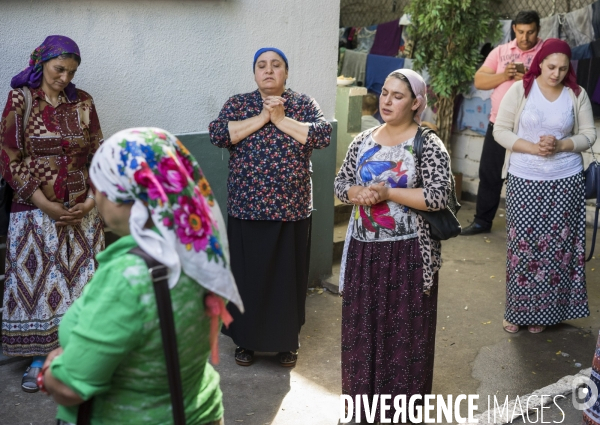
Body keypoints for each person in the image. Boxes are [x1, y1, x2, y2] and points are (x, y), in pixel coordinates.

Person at [37, 127, 242, 425]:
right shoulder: (201, 246)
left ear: (122, 197)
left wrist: (49, 374)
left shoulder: (127, 277)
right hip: (201, 411)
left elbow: (70, 389)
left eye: (99, 186)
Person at [334, 69, 450, 420]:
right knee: (361, 331)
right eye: (384, 93)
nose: (386, 100)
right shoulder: (364, 140)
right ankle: (360, 410)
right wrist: (359, 192)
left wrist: (387, 192)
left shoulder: (428, 143)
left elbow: (438, 195)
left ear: (416, 102)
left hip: (409, 255)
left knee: (405, 334)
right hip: (363, 253)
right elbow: (341, 183)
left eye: (397, 96)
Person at [209, 47, 331, 367]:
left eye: (276, 65)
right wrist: (263, 117)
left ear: (286, 73)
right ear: (254, 73)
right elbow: (219, 133)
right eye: (261, 65)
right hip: (246, 208)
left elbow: (321, 135)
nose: (268, 70)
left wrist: (281, 119)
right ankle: (245, 342)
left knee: (286, 281)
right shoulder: (239, 103)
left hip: (291, 210)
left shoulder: (302, 103)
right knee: (248, 279)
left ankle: (286, 342)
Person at [0, 35, 104, 392]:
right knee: (38, 288)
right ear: (42, 62)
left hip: (82, 213)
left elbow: (97, 155)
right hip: (34, 213)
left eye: (71, 72)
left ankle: (79, 356)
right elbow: (10, 157)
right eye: (59, 69)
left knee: (81, 287)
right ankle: (37, 359)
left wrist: (91, 202)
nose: (64, 77)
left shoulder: (84, 102)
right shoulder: (21, 98)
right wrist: (44, 204)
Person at [493, 39, 595, 334]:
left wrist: (562, 144)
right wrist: (531, 148)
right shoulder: (520, 90)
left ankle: (545, 313)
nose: (557, 73)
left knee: (558, 248)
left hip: (566, 181)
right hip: (525, 178)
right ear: (540, 63)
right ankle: (517, 311)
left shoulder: (576, 94)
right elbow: (500, 130)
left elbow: (589, 134)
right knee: (521, 246)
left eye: (563, 68)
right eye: (551, 67)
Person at [462, 10, 544, 235]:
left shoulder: (546, 52)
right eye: (520, 32)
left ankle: (530, 226)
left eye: (530, 32)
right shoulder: (501, 51)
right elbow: (480, 80)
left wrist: (531, 78)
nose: (525, 37)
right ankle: (482, 222)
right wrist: (505, 75)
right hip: (498, 124)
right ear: (514, 29)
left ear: (538, 30)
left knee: (529, 177)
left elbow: (558, 83)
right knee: (489, 173)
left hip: (531, 128)